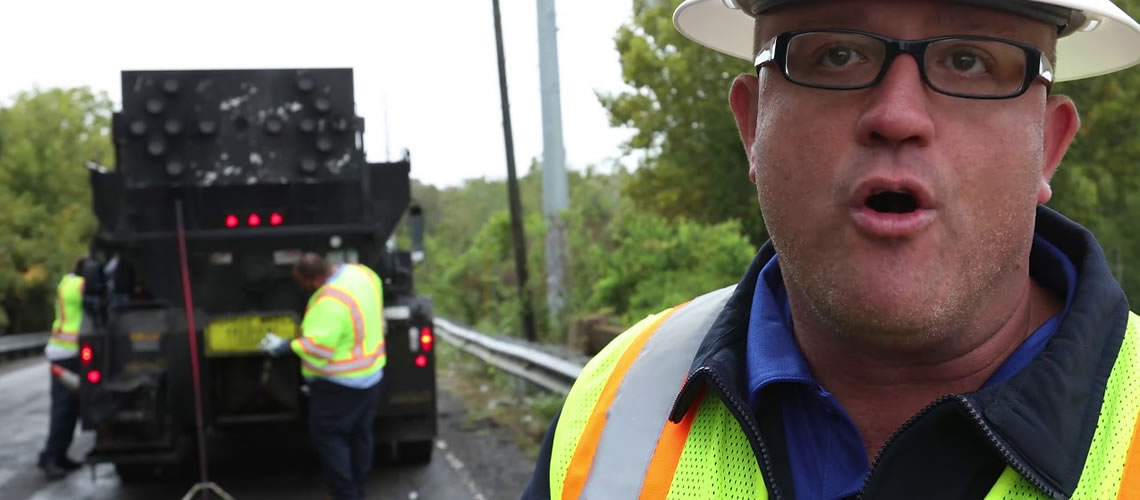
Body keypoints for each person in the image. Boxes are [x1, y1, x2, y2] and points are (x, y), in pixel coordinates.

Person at [523, 0, 1140, 498]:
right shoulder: (614, 402)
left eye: (969, 61)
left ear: (1049, 144)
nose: (897, 116)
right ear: (752, 127)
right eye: (836, 54)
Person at [259, 253, 386, 500]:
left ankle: (346, 495)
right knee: (361, 435)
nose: (303, 289)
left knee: (331, 439)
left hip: (339, 384)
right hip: (371, 375)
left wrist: (284, 346)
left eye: (303, 284)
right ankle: (359, 489)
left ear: (315, 280)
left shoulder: (328, 303)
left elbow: (318, 348)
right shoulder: (361, 273)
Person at [38, 258, 91, 479]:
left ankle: (59, 456)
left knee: (69, 409)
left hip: (64, 352)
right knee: (63, 410)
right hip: (66, 354)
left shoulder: (66, 282)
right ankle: (50, 458)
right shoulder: (78, 285)